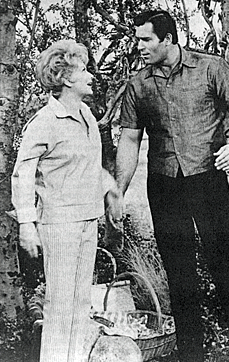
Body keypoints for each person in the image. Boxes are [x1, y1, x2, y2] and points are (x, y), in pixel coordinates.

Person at [113, 10, 229, 362]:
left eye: (145, 39)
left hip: (208, 181)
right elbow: (130, 141)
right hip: (165, 187)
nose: (139, 46)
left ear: (167, 39)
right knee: (180, 279)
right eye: (137, 39)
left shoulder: (211, 68)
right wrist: (117, 189)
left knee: (228, 273)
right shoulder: (138, 85)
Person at [11, 40, 118, 362]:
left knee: (79, 306)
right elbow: (22, 175)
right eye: (84, 70)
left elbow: (87, 164)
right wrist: (27, 225)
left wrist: (110, 191)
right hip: (59, 224)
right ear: (67, 78)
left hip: (87, 219)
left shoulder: (85, 113)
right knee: (59, 309)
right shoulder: (44, 121)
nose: (91, 76)